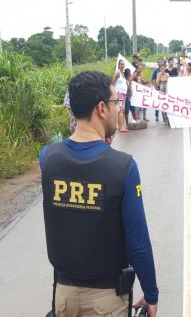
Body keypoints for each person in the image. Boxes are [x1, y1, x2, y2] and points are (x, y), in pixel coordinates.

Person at [40, 71, 158, 317]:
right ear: (101, 108)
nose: (118, 109)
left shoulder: (48, 158)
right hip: (107, 300)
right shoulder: (123, 167)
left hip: (63, 297)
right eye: (116, 103)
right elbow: (137, 244)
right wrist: (151, 293)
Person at [112, 59, 130, 132]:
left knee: (121, 110)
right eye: (121, 64)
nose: (123, 65)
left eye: (123, 64)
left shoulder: (122, 73)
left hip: (123, 93)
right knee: (121, 110)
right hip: (119, 93)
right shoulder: (118, 72)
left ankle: (120, 126)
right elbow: (112, 82)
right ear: (118, 65)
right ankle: (121, 127)